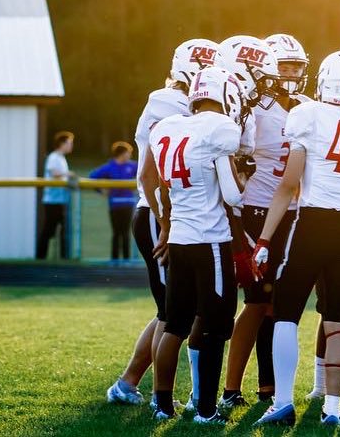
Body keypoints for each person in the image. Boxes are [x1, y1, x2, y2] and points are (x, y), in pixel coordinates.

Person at [252, 50, 340, 426]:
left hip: (311, 223)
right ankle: (332, 408)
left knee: (286, 315)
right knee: (338, 322)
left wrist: (264, 239)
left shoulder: (308, 114)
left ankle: (282, 401)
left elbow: (288, 184)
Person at [106, 38, 216, 408]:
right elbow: (153, 174)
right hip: (159, 213)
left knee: (174, 311)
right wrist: (165, 222)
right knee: (173, 313)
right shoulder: (167, 101)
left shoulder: (185, 103)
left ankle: (128, 384)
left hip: (171, 214)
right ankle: (157, 396)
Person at [144, 65, 247, 424]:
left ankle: (161, 404)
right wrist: (244, 176)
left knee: (175, 324)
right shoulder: (219, 128)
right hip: (210, 241)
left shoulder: (169, 127)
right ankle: (206, 410)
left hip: (180, 238)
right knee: (216, 329)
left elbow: (161, 186)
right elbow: (232, 196)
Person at [221, 33, 310, 408]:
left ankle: (268, 386)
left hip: (295, 214)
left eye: (295, 67)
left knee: (279, 305)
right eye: (283, 67)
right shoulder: (253, 109)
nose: (290, 74)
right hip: (257, 212)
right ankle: (230, 388)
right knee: (257, 302)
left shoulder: (307, 107)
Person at [89, 141, 138, 261]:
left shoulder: (132, 165)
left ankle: (126, 260)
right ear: (122, 154)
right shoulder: (109, 167)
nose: (130, 155)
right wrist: (101, 191)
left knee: (126, 233)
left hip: (128, 203)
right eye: (128, 153)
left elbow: (145, 172)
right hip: (115, 204)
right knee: (116, 233)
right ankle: (114, 260)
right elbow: (92, 177)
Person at [36, 131, 76, 259]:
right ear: (62, 144)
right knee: (49, 230)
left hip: (60, 200)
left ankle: (64, 257)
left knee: (64, 229)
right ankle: (40, 257)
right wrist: (68, 174)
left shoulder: (61, 158)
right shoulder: (54, 157)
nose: (71, 146)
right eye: (69, 143)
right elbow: (54, 173)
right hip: (52, 201)